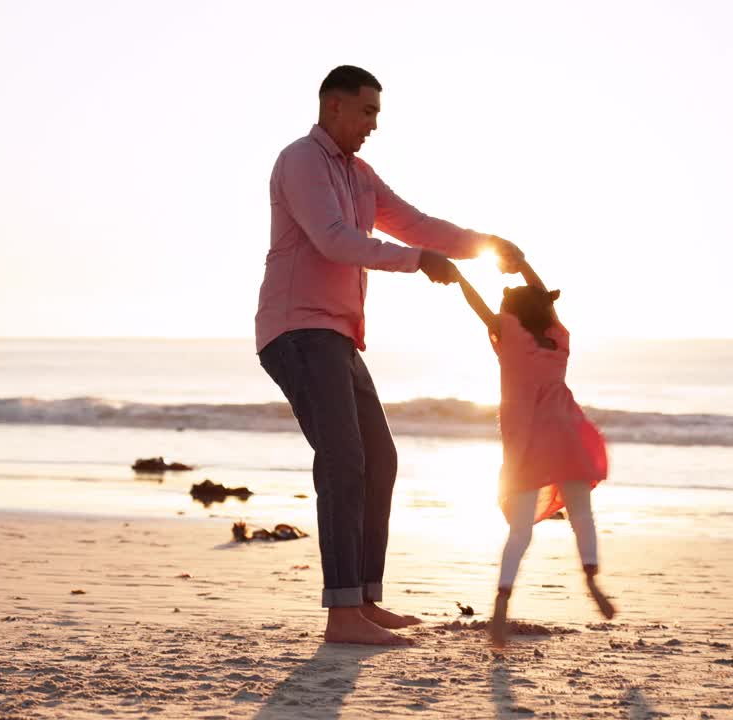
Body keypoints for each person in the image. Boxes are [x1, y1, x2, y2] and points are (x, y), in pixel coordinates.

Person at [255, 64, 523, 646]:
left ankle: (365, 601)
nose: (375, 123)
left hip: (337, 335)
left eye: (378, 113)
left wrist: (487, 246)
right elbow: (333, 239)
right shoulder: (301, 161)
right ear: (334, 108)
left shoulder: (359, 175)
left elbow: (415, 224)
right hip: (296, 330)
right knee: (344, 459)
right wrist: (417, 262)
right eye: (367, 111)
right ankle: (342, 614)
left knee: (379, 459)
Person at [452, 258, 616, 648]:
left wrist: (458, 277)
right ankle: (592, 578)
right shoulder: (557, 338)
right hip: (567, 434)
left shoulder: (507, 336)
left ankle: (502, 601)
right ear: (544, 310)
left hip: (527, 443)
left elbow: (478, 306)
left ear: (511, 313)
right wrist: (522, 264)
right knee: (581, 514)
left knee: (520, 532)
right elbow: (542, 294)